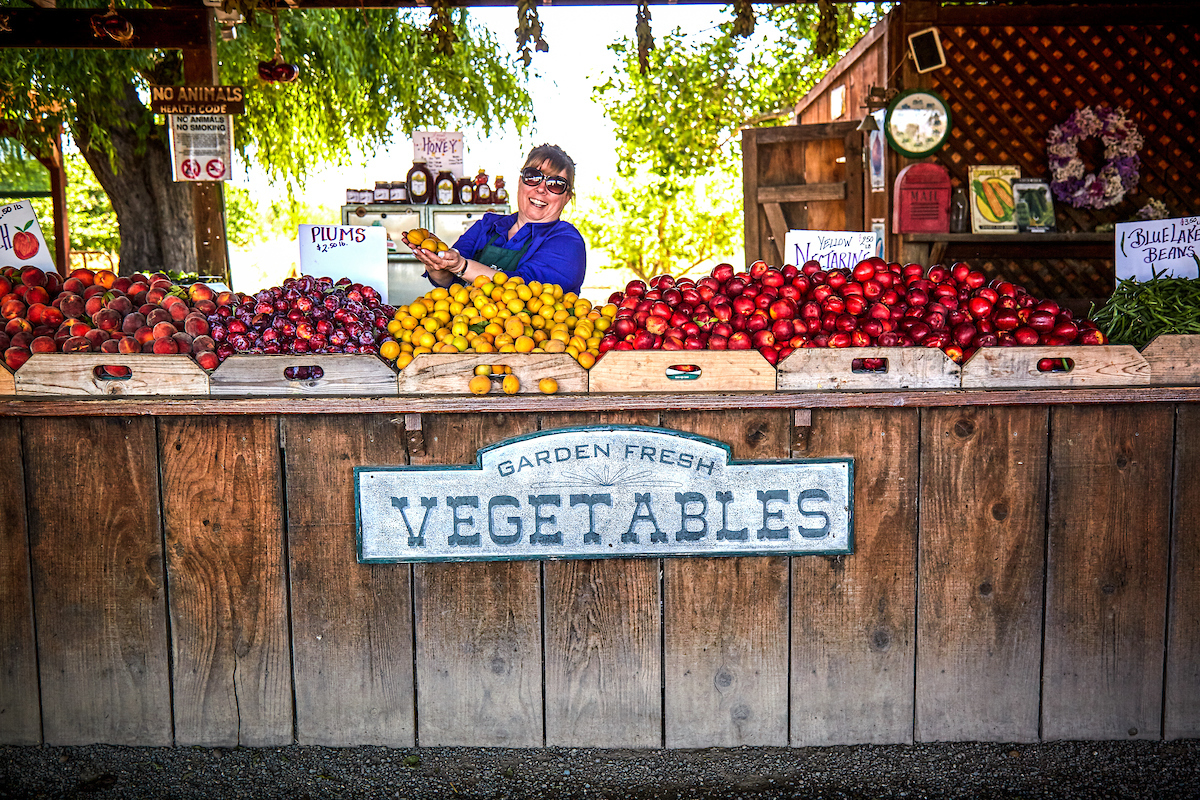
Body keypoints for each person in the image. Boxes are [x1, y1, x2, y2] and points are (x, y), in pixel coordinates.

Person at [407, 144, 587, 294]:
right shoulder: (488, 225)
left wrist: (462, 267)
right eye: (533, 177)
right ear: (520, 182)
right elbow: (450, 280)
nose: (541, 189)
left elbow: (526, 288)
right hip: (465, 333)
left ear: (567, 198)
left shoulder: (567, 241)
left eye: (556, 184)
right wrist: (437, 265)